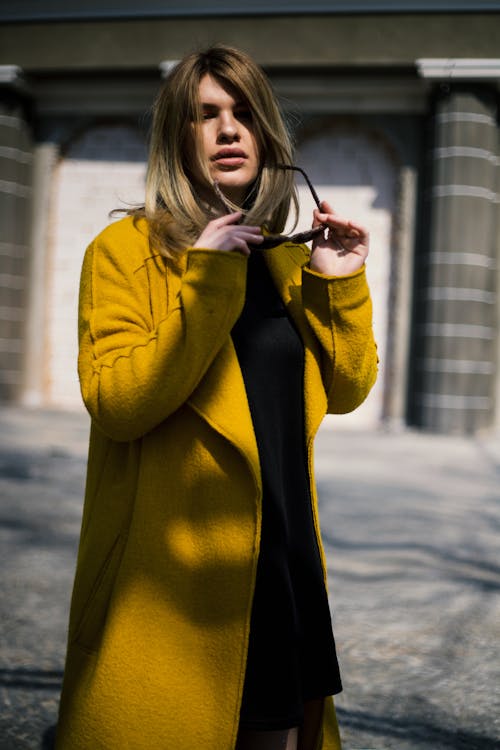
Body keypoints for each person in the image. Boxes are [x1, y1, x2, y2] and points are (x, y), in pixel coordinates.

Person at [55, 45, 378, 750]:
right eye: (206, 116)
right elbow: (118, 403)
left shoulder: (289, 260)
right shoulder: (125, 251)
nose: (229, 130)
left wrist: (339, 282)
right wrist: (204, 281)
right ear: (178, 138)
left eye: (244, 115)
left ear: (266, 135)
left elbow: (349, 391)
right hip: (174, 571)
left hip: (284, 560)